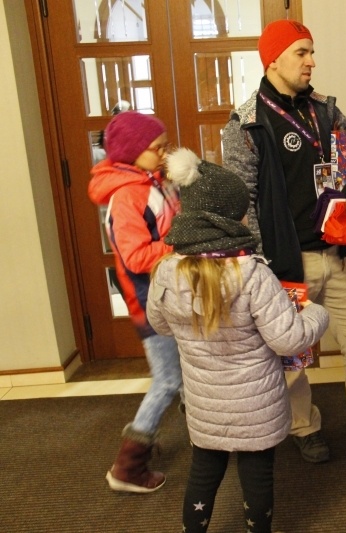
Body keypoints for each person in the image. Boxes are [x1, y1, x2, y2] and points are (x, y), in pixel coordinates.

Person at [222, 19, 346, 464]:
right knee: (292, 355)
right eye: (301, 53)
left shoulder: (323, 111)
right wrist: (259, 261)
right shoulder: (247, 123)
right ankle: (303, 427)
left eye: (312, 52)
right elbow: (241, 199)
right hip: (287, 262)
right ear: (273, 59)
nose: (311, 62)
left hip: (332, 251)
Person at [147, 148, 329, 533]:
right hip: (255, 404)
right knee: (257, 475)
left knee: (204, 472)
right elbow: (288, 339)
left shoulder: (166, 272)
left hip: (204, 402)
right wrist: (316, 313)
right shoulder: (252, 275)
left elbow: (160, 325)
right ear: (229, 216)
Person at [87, 110, 183, 493]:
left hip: (170, 296)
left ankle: (208, 436)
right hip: (151, 305)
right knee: (168, 380)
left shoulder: (152, 182)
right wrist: (185, 244)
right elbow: (137, 257)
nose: (163, 153)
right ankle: (127, 468)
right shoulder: (128, 195)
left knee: (186, 370)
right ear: (131, 152)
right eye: (155, 148)